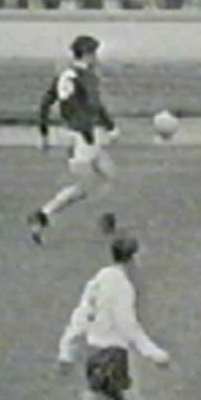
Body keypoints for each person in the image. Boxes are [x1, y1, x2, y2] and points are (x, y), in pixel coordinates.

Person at [56, 236, 171, 400]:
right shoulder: (123, 286)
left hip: (94, 354)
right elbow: (128, 326)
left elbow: (82, 314)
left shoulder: (98, 280)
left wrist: (66, 350)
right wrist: (155, 353)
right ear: (133, 258)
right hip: (113, 358)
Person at [28, 35, 120, 245]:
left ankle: (106, 221)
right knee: (85, 186)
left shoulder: (86, 76)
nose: (96, 57)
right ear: (87, 54)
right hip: (80, 136)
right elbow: (69, 107)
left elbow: (94, 106)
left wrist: (110, 126)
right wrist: (84, 130)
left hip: (87, 135)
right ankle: (43, 214)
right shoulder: (72, 77)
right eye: (94, 53)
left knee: (107, 175)